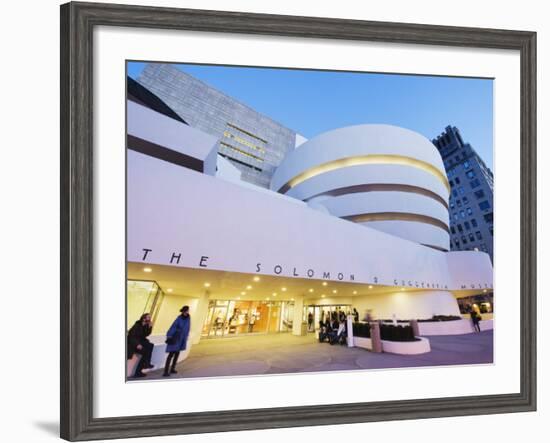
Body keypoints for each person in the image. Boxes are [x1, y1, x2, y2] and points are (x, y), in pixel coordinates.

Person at [163, 305, 191, 377]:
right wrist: (169, 335)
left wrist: (186, 336)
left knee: (177, 354)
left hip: (182, 338)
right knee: (171, 354)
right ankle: (166, 371)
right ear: (184, 311)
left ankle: (172, 368)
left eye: (188, 310)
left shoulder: (188, 318)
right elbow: (173, 326)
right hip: (176, 337)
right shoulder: (179, 318)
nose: (188, 311)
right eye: (187, 310)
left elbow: (188, 328)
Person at [127, 313, 154, 378]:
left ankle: (146, 364)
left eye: (150, 317)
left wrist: (150, 327)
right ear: (144, 318)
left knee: (150, 345)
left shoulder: (144, 325)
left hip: (139, 342)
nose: (150, 319)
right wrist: (137, 344)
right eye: (148, 317)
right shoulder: (137, 325)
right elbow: (131, 337)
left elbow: (146, 334)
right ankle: (139, 371)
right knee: (145, 351)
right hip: (133, 344)